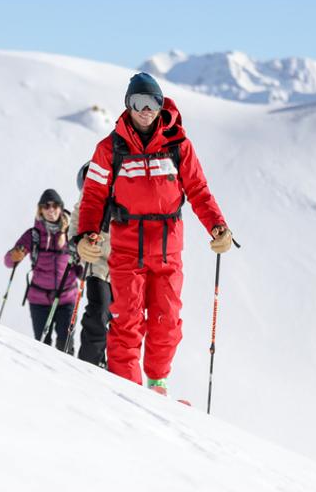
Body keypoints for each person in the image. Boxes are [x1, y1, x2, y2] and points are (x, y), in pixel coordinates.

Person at [74, 72, 232, 396]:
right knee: (125, 322)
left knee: (166, 322)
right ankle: (127, 394)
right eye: (138, 102)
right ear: (128, 106)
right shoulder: (110, 148)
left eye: (152, 102)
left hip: (167, 250)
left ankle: (157, 386)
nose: (145, 109)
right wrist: (85, 235)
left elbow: (199, 190)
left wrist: (218, 227)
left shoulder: (179, 146)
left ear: (161, 104)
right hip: (126, 247)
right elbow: (93, 196)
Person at [4, 189, 79, 352]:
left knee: (65, 346)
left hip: (66, 299)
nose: (51, 210)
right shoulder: (33, 235)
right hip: (39, 300)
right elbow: (9, 262)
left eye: (55, 206)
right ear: (40, 210)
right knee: (42, 347)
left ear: (61, 207)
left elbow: (81, 266)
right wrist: (14, 255)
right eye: (46, 206)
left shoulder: (71, 233)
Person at [69, 162, 113, 367]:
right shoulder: (87, 199)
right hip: (98, 265)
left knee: (121, 320)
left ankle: (115, 366)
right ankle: (90, 364)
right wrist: (77, 242)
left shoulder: (120, 193)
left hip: (125, 266)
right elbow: (77, 220)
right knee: (99, 310)